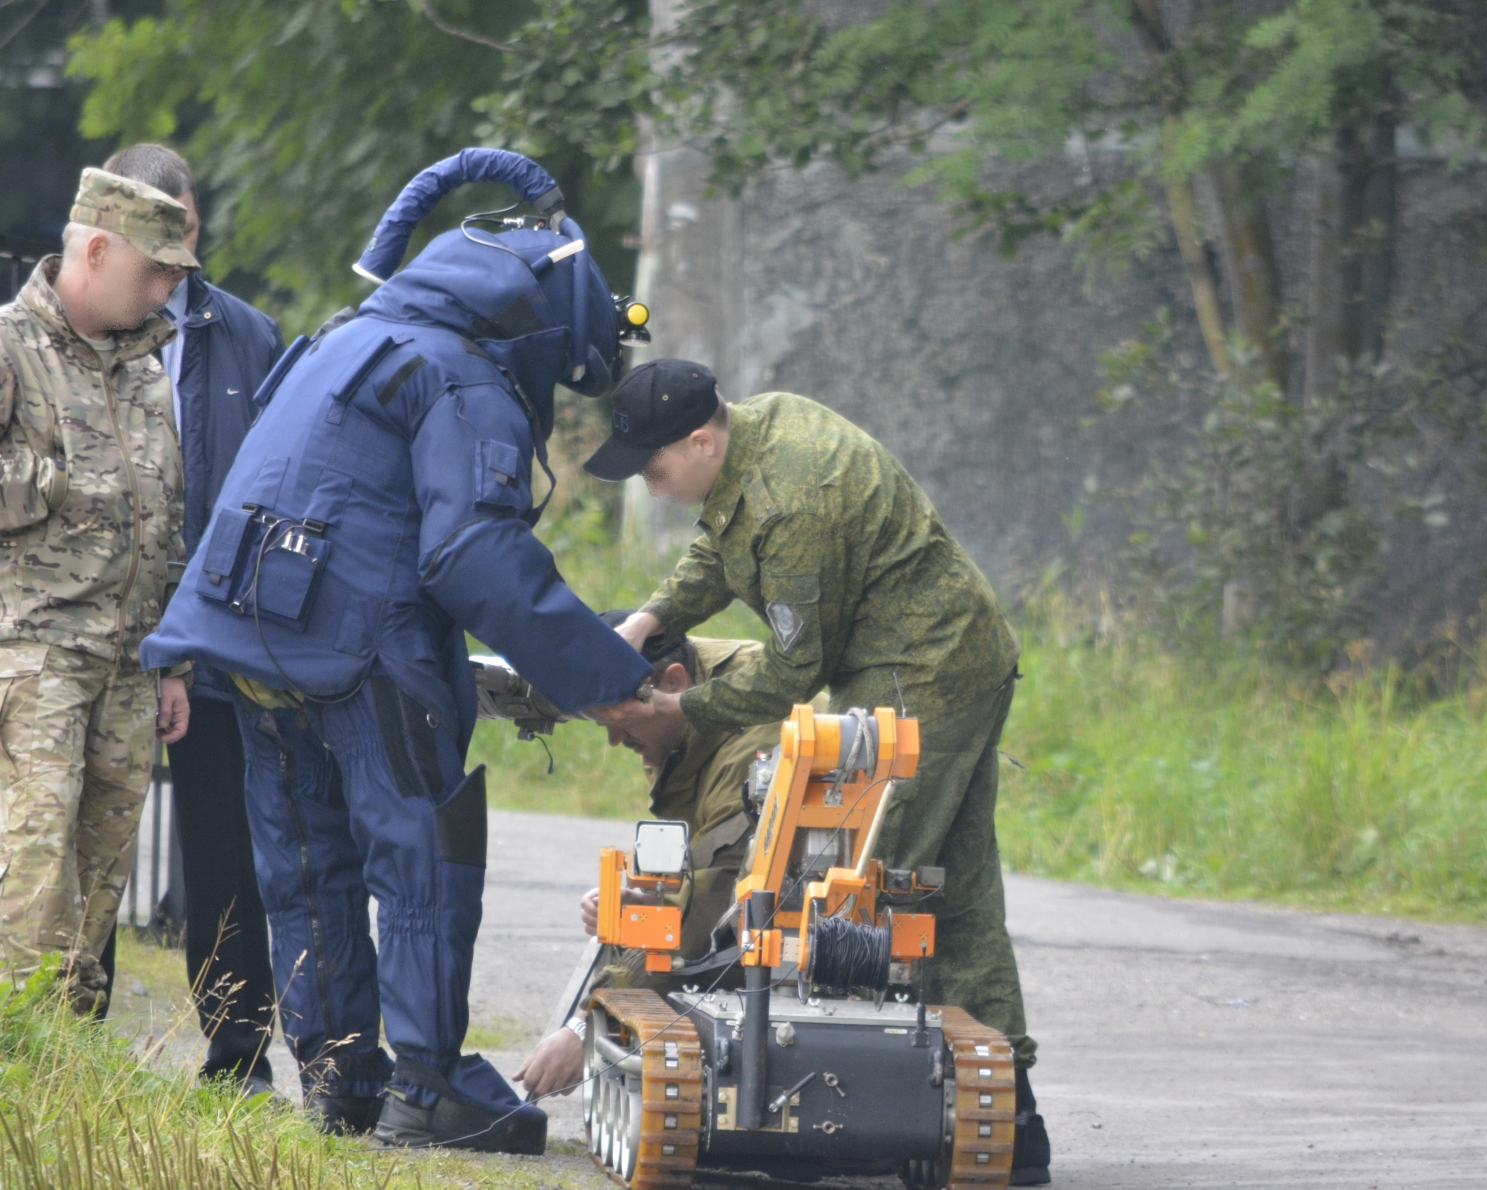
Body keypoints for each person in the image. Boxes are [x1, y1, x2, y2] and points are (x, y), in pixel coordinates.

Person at [140, 149, 651, 1154]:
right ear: (541, 327)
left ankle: (340, 1080)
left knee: (303, 858)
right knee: (421, 847)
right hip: (359, 642)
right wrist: (612, 682)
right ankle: (427, 1084)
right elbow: (474, 554)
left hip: (249, 635)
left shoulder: (346, 336)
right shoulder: (464, 377)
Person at [590, 359, 1052, 1183]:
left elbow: (793, 672)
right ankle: (1011, 1124)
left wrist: (681, 713)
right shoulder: (757, 430)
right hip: (949, 659)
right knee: (956, 891)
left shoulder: (790, 501)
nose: (654, 488)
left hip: (923, 676)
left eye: (655, 469)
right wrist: (645, 622)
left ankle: (828, 1114)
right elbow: (715, 553)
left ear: (700, 439)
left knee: (853, 892)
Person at [103, 143, 284, 1094]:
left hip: (212, 643)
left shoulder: (245, 337)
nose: (180, 260)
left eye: (192, 235)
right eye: (163, 239)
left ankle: (238, 1052)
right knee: (91, 843)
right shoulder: (73, 331)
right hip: (96, 633)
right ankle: (68, 1038)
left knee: (225, 856)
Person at [0, 168, 196, 1015]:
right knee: (35, 872)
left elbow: (168, 514)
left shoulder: (146, 369)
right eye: (154, 271)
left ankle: (67, 1066)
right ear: (97, 248)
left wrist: (174, 659)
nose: (166, 290)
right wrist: (51, 484)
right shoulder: (10, 346)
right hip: (36, 650)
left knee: (99, 886)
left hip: (129, 662)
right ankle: (20, 1054)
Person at [512, 618, 781, 1101]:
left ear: (674, 684)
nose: (614, 741)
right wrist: (646, 897)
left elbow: (709, 909)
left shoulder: (756, 744)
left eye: (621, 720)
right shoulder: (702, 683)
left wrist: (585, 1027)